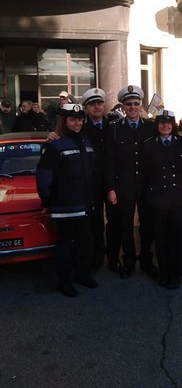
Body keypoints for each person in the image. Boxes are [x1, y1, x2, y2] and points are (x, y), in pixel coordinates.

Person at [36, 103, 98, 297]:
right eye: (73, 119)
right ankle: (65, 282)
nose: (77, 123)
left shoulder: (86, 142)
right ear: (64, 121)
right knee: (64, 246)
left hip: (85, 204)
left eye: (80, 119)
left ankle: (82, 275)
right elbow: (43, 176)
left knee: (84, 243)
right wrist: (46, 201)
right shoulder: (55, 145)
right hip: (64, 206)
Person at [106, 85, 157, 278]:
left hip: (146, 186)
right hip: (124, 186)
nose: (133, 107)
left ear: (141, 105)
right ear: (122, 106)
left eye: (136, 103)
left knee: (147, 224)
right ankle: (128, 259)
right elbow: (110, 162)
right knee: (125, 225)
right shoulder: (115, 129)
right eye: (128, 104)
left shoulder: (151, 127)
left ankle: (146, 259)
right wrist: (111, 188)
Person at [143, 109, 182, 289]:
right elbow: (145, 173)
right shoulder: (148, 145)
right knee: (161, 238)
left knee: (176, 237)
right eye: (161, 123)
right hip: (158, 198)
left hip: (178, 197)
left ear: (173, 125)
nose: (165, 126)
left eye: (168, 122)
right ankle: (163, 273)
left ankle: (176, 273)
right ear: (157, 125)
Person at [81, 87, 111, 269]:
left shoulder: (114, 126)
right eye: (93, 104)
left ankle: (115, 256)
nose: (97, 107)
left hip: (112, 182)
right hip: (91, 183)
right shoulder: (80, 128)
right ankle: (97, 257)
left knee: (115, 222)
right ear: (86, 108)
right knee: (95, 222)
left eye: (99, 103)